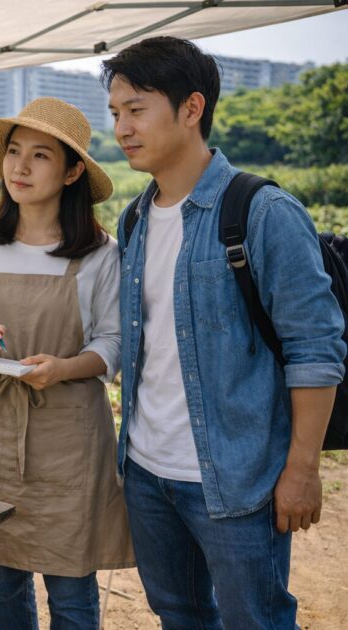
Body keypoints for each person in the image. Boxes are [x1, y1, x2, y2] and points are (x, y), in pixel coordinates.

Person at [104, 36, 345, 628]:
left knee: (254, 620)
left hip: (239, 481)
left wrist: (302, 470)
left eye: (136, 109)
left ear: (191, 109)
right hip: (147, 472)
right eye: (114, 114)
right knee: (179, 614)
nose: (121, 129)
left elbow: (314, 348)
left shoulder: (263, 213)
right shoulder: (134, 217)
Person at [0, 97, 134, 629]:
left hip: (69, 438)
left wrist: (63, 368)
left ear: (73, 171)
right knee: (4, 585)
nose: (19, 167)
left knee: (71, 587)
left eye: (40, 156)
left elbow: (113, 344)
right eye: (12, 152)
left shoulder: (100, 253)